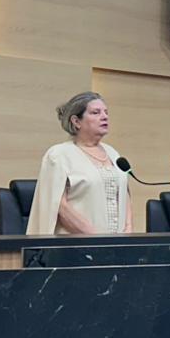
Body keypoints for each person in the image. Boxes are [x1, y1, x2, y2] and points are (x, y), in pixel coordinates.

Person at [27, 92, 133, 235]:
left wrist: (128, 230)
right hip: (77, 242)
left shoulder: (113, 153)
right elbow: (59, 205)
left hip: (117, 243)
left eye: (106, 112)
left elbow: (124, 194)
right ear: (76, 121)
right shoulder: (59, 155)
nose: (104, 117)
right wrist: (96, 237)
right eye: (96, 112)